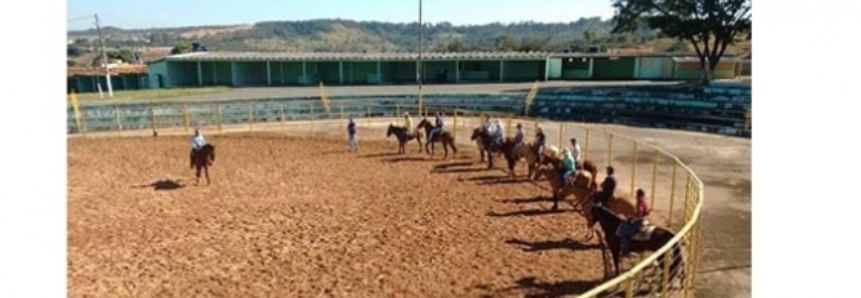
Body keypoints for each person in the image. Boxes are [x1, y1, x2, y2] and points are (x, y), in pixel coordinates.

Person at [620, 188, 652, 257]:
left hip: (640, 221)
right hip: (646, 220)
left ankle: (626, 251)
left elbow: (639, 212)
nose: (636, 196)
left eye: (637, 195)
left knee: (624, 234)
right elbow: (648, 211)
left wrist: (632, 217)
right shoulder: (645, 200)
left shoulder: (639, 202)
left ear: (638, 195)